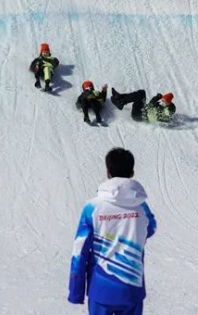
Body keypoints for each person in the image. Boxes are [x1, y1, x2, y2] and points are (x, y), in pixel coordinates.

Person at [69, 147, 156, 315]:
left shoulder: (92, 207)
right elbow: (151, 229)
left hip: (101, 289)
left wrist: (76, 291)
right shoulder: (142, 207)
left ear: (108, 172)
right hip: (132, 287)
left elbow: (79, 251)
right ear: (132, 172)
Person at [111, 91, 176, 124]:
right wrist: (158, 98)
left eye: (164, 100)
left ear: (168, 102)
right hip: (142, 109)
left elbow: (165, 116)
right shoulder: (164, 104)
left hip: (138, 115)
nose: (162, 101)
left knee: (138, 97)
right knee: (142, 92)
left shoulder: (167, 110)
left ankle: (121, 102)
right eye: (162, 99)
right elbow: (150, 105)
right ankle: (120, 99)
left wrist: (156, 98)